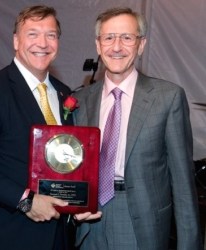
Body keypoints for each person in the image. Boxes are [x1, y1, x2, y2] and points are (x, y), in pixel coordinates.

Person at [0, 5, 101, 250]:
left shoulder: (63, 92)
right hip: (8, 234)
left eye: (51, 35)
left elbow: (66, 161)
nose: (42, 43)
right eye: (32, 34)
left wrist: (79, 204)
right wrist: (25, 201)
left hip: (58, 235)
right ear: (16, 41)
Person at [73, 7, 203, 250]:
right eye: (109, 37)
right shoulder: (81, 100)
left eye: (127, 37)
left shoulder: (168, 97)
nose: (117, 46)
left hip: (141, 222)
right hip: (88, 222)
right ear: (98, 46)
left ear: (141, 45)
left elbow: (183, 184)